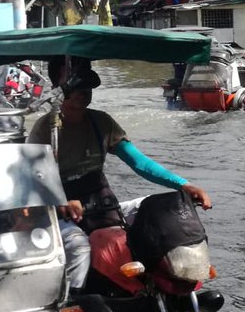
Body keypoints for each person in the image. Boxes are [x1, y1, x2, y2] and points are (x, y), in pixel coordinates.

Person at [26, 55, 212, 290]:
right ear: (56, 88)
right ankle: (75, 303)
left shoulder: (101, 122)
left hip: (102, 205)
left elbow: (139, 162)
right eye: (75, 85)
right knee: (78, 247)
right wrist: (60, 204)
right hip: (59, 212)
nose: (83, 91)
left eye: (86, 85)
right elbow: (33, 182)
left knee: (162, 210)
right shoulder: (45, 129)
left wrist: (183, 186)